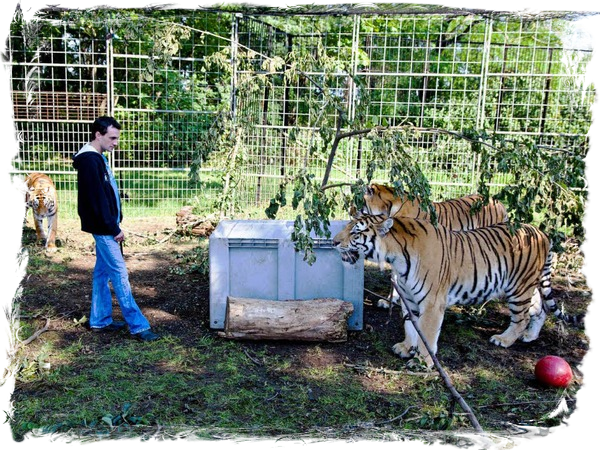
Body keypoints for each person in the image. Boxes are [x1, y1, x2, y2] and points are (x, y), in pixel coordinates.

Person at [73, 116, 159, 341]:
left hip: (106, 224)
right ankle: (138, 326)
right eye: (112, 137)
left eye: (117, 138)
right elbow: (97, 200)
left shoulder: (97, 158)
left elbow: (105, 193)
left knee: (102, 274)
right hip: (104, 227)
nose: (116, 142)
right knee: (119, 273)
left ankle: (100, 320)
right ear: (98, 135)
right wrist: (113, 227)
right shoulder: (90, 161)